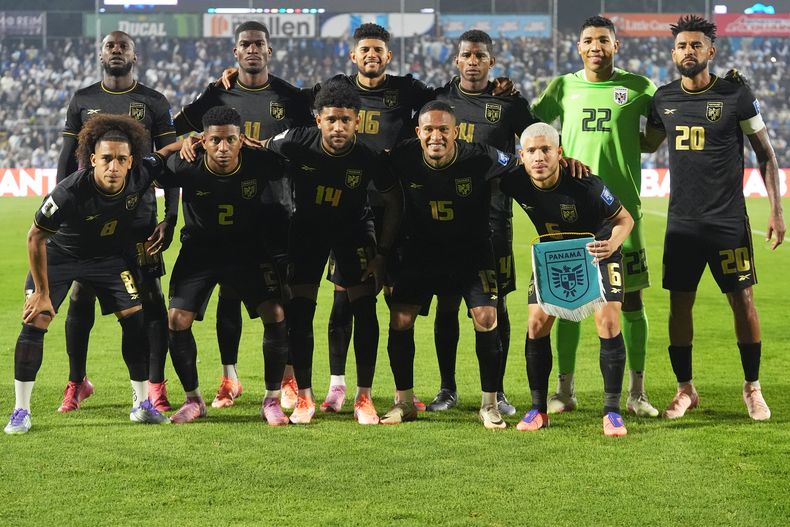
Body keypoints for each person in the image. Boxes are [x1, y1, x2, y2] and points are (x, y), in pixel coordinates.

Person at [643, 15, 784, 420]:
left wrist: (776, 210)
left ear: (711, 51)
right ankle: (685, 389)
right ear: (673, 54)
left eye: (696, 45)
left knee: (743, 300)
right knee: (679, 305)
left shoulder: (735, 94)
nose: (688, 51)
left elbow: (765, 154)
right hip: (682, 224)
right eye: (682, 46)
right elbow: (647, 144)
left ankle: (752, 387)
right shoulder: (663, 99)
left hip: (728, 222)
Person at [174, 21, 313, 410]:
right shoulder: (218, 94)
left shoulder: (290, 97)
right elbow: (172, 131)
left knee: (283, 299)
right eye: (245, 44)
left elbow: (308, 142)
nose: (252, 49)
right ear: (235, 52)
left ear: (269, 51)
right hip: (231, 215)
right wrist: (189, 139)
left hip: (278, 212)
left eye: (259, 44)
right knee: (228, 294)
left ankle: (288, 378)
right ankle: (229, 378)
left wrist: (273, 148)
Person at [4, 115, 172, 435]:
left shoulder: (140, 174)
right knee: (36, 319)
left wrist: (189, 142)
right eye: (106, 159)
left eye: (121, 159)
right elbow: (35, 237)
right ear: (93, 159)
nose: (113, 167)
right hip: (60, 257)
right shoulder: (69, 192)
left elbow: (163, 153)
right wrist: (41, 292)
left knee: (135, 319)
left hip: (107, 259)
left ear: (131, 161)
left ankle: (141, 405)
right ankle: (20, 411)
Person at [531, 16, 659, 417]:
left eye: (603, 40)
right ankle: (564, 390)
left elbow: (659, 130)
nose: (595, 47)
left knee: (632, 301)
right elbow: (533, 127)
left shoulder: (639, 87)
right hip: (572, 212)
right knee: (567, 299)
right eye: (588, 40)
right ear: (579, 47)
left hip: (622, 212)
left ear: (615, 46)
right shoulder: (563, 87)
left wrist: (637, 142)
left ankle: (637, 392)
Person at [258, 79, 402, 425]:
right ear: (318, 119)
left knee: (364, 310)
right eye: (332, 120)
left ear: (357, 121)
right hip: (307, 230)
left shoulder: (368, 156)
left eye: (346, 120)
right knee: (300, 311)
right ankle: (305, 397)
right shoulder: (294, 140)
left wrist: (382, 253)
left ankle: (364, 397)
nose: (338, 127)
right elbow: (259, 147)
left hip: (354, 231)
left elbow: (394, 201)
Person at [56, 30, 179, 413]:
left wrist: (170, 216)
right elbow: (66, 159)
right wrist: (61, 208)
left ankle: (154, 386)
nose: (116, 51)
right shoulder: (82, 100)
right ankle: (77, 382)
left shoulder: (154, 101)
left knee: (151, 299)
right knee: (81, 296)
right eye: (110, 45)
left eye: (123, 46)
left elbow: (169, 161)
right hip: (91, 220)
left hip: (140, 221)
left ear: (134, 55)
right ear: (100, 54)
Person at [382, 100, 521, 429]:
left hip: (472, 251)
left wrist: (559, 161)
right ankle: (404, 402)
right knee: (400, 318)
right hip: (421, 250)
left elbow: (520, 165)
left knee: (486, 317)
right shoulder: (402, 155)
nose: (436, 137)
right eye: (429, 130)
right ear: (418, 132)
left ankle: (489, 405)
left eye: (444, 129)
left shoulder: (481, 156)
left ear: (456, 132)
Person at [157, 106, 291, 425]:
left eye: (230, 139)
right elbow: (153, 165)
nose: (223, 147)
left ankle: (272, 401)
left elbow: (292, 164)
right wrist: (179, 143)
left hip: (248, 249)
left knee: (275, 313)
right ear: (203, 140)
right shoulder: (186, 163)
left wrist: (267, 145)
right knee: (176, 319)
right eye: (215, 140)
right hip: (200, 251)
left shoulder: (259, 161)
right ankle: (194, 401)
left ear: (240, 140)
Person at [428, 29, 538, 416]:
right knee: (446, 305)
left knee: (497, 305)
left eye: (480, 56)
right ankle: (447, 389)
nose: (473, 62)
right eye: (467, 55)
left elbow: (537, 142)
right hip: (445, 221)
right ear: (456, 60)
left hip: (494, 220)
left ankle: (498, 391)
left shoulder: (509, 103)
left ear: (492, 62)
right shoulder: (438, 99)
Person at [500, 122, 634, 436]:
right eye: (531, 151)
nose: (539, 157)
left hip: (597, 251)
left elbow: (624, 219)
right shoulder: (514, 180)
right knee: (535, 323)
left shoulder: (586, 184)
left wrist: (612, 244)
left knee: (608, 322)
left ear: (559, 153)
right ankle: (538, 410)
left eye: (546, 149)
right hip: (554, 255)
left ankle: (612, 412)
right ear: (522, 156)